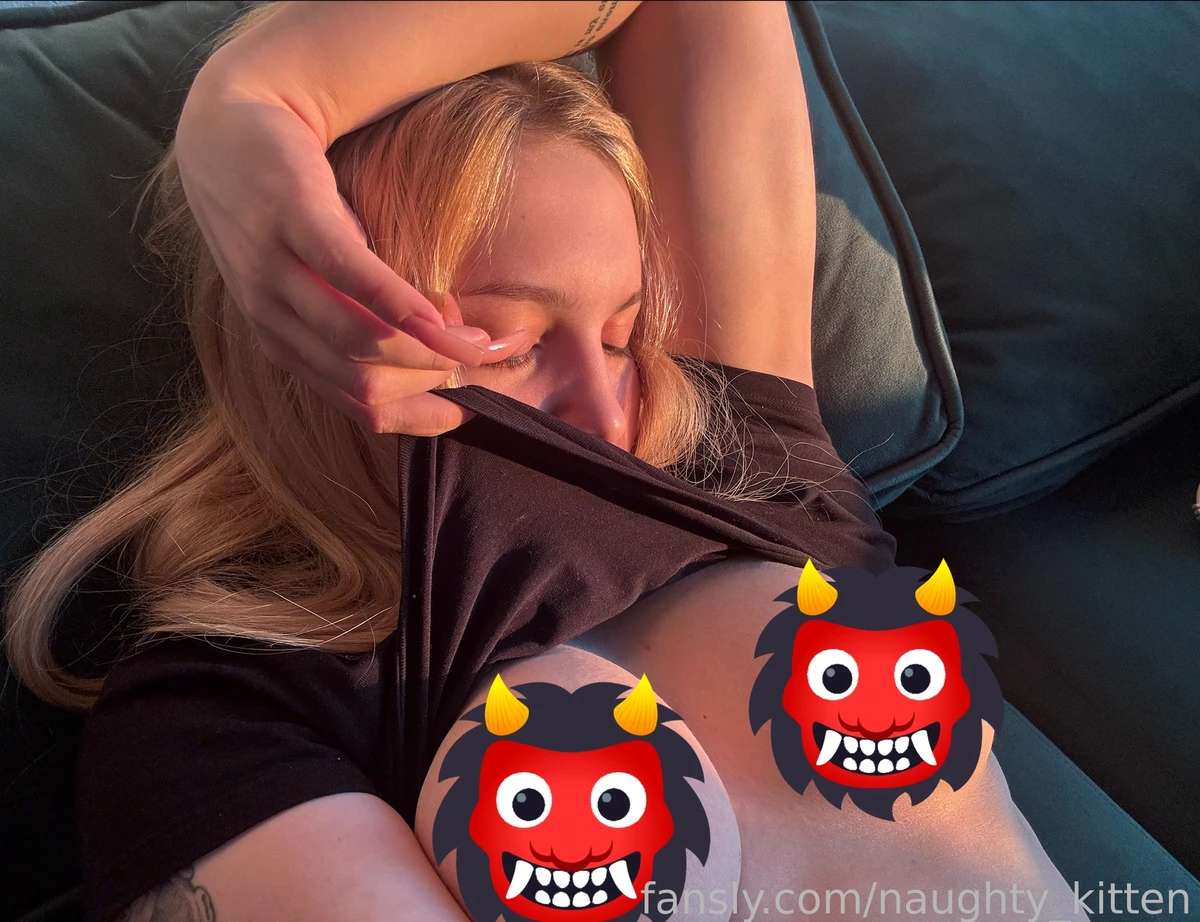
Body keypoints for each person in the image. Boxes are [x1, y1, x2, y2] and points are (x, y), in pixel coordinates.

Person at [0, 2, 1080, 921]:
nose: (605, 411)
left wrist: (263, 92)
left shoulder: (752, 457)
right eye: (508, 346)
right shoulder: (229, 716)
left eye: (621, 335)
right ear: (304, 337)